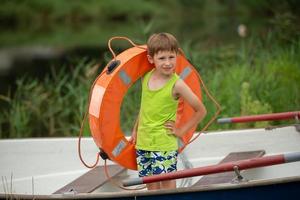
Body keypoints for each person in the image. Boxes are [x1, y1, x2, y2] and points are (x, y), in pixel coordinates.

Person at [130, 32, 207, 190]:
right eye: (162, 58)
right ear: (151, 59)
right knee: (150, 184)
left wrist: (181, 131)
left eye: (171, 57)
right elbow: (144, 106)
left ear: (177, 56)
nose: (167, 63)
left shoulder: (177, 84)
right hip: (144, 143)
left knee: (167, 184)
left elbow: (201, 110)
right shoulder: (146, 77)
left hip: (164, 144)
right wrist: (135, 129)